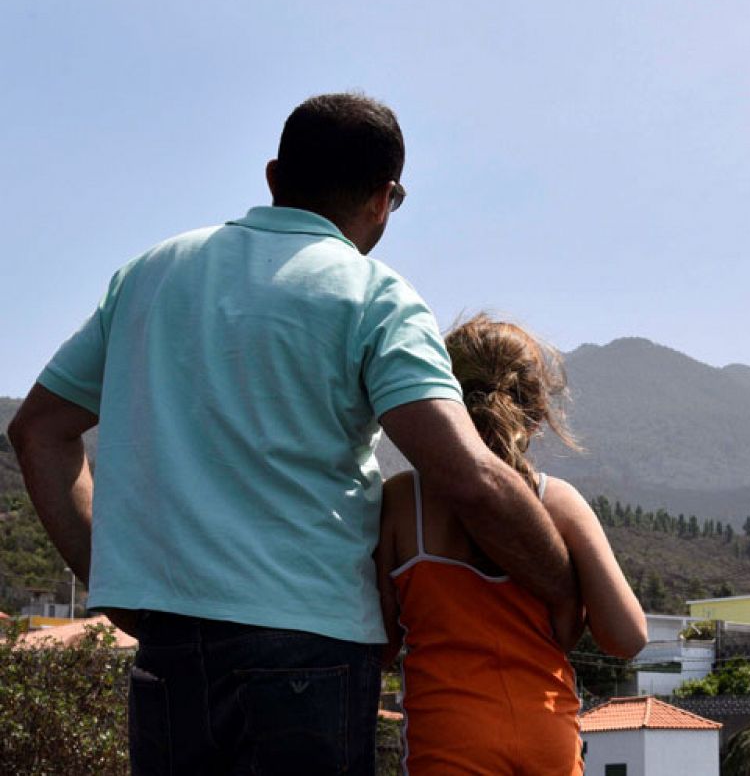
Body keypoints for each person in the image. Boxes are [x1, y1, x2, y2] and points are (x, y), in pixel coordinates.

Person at [7, 93, 577, 774]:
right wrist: (564, 588)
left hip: (168, 652)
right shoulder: (375, 296)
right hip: (309, 650)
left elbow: (38, 431)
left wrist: (112, 577)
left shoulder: (150, 274)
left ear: (275, 178)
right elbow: (470, 478)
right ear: (385, 197)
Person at [378, 315, 647, 774]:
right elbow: (627, 637)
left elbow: (379, 645)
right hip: (549, 740)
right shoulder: (561, 504)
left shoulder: (404, 502)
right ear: (539, 412)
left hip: (449, 739)